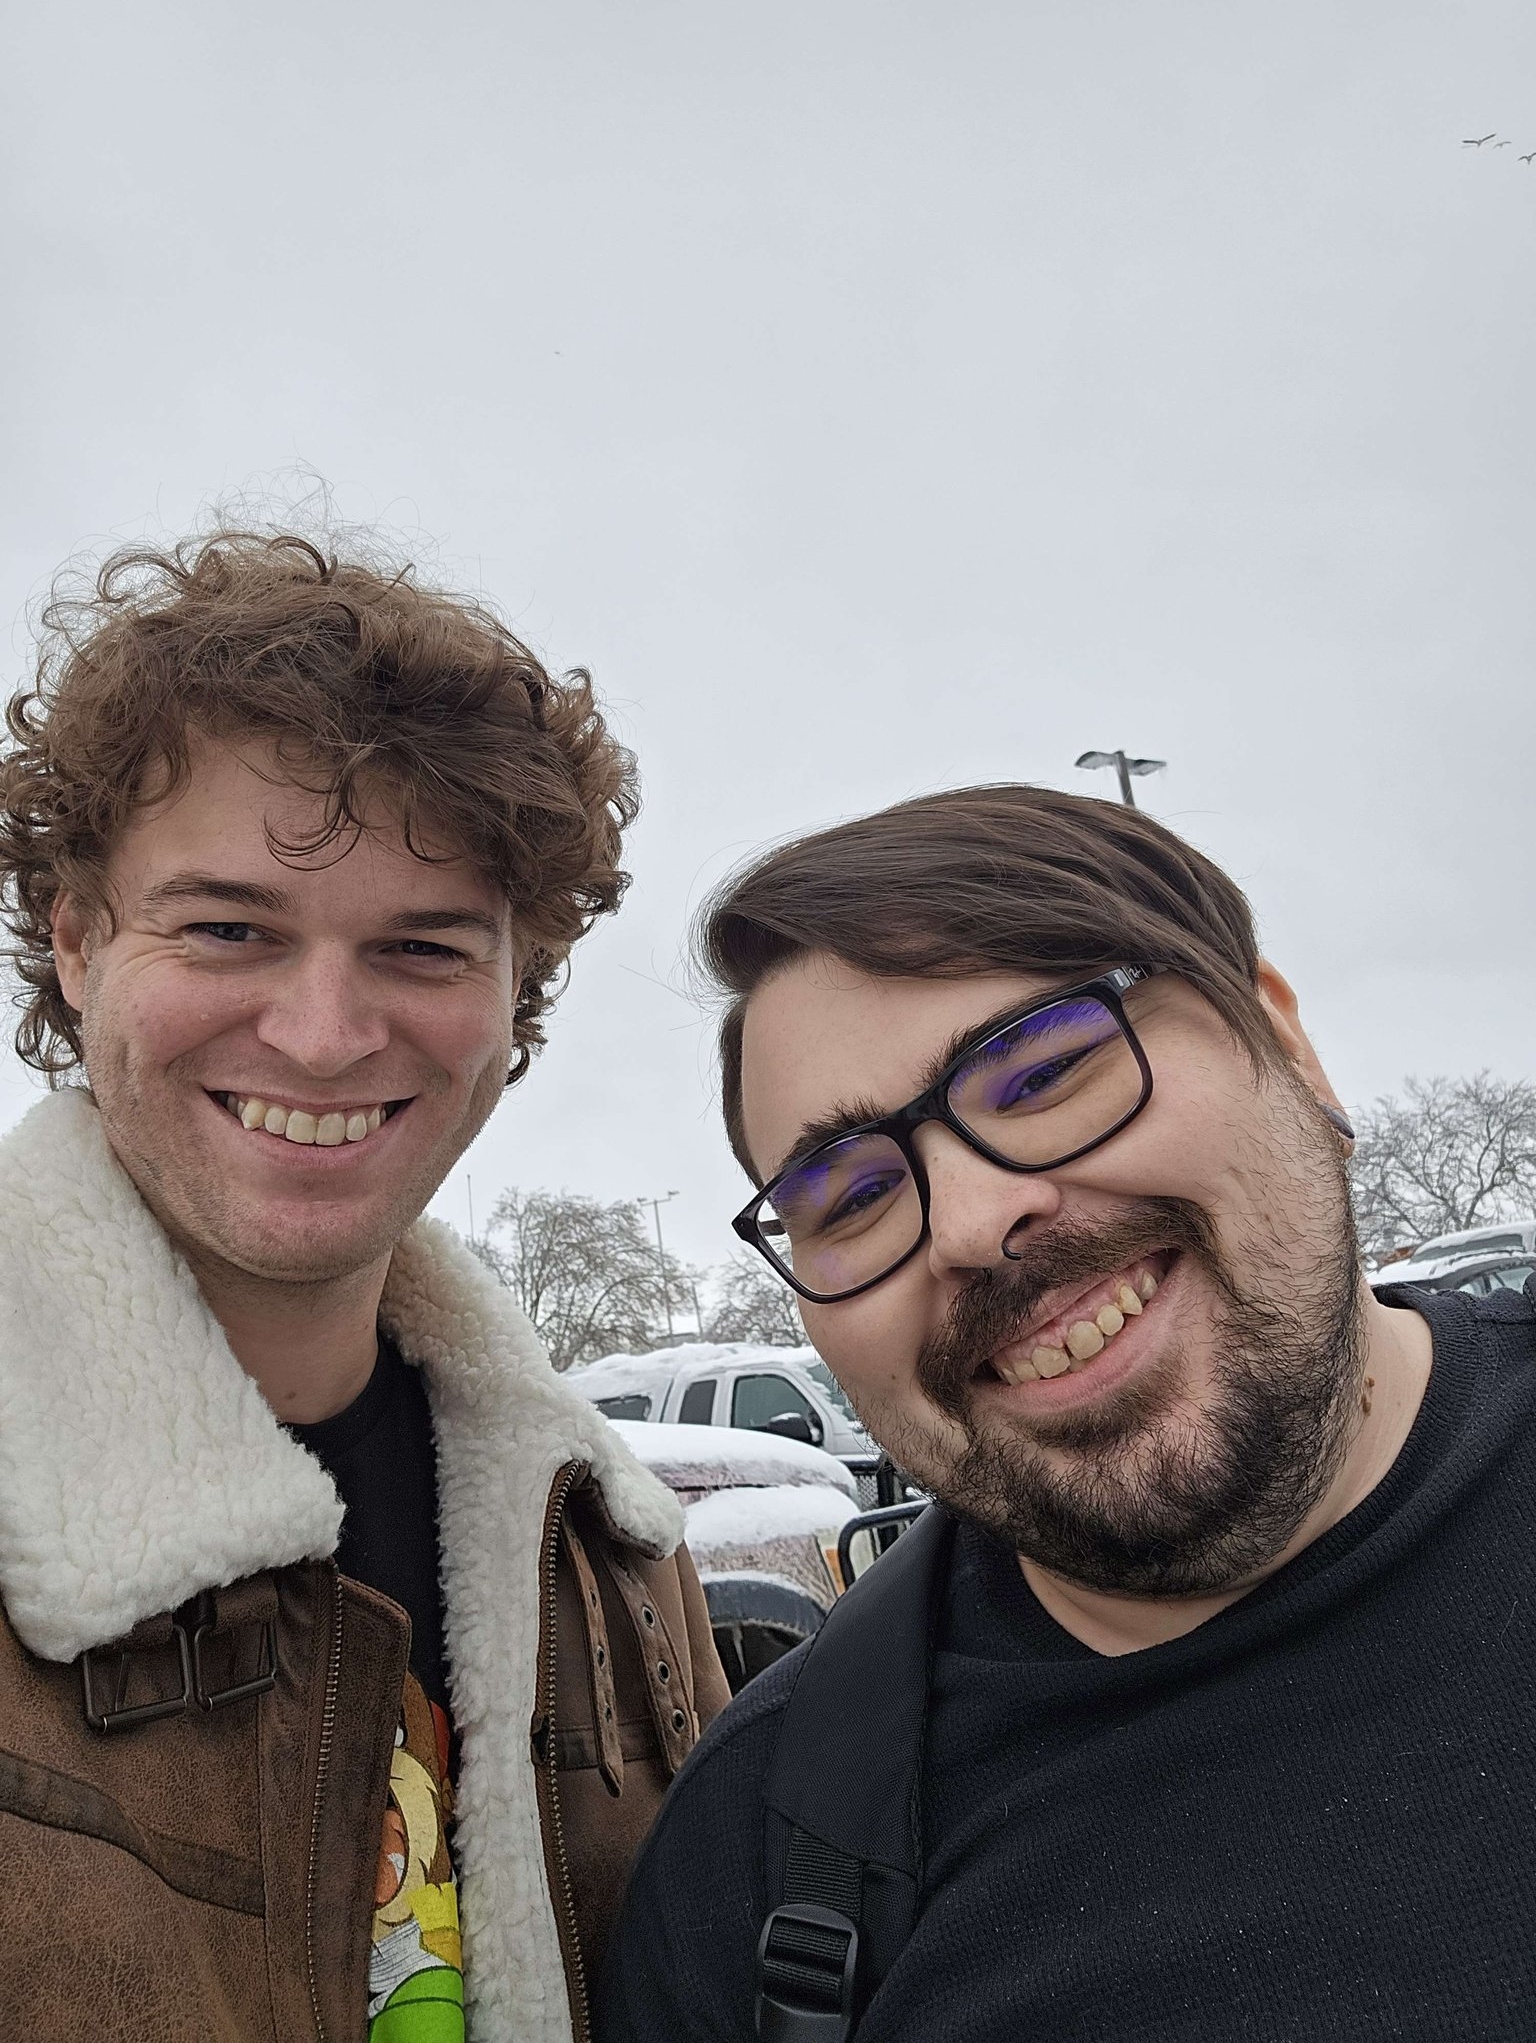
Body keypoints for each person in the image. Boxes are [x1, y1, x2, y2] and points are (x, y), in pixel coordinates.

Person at [601, 783, 1536, 2041]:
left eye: (1042, 1069)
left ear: (1288, 1048)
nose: (975, 1222)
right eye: (855, 1196)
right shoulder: (761, 1866)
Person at [0, 530, 728, 2042]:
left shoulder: (608, 1555)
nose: (325, 1036)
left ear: (511, 1000)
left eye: (419, 947)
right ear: (75, 942)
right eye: (226, 928)